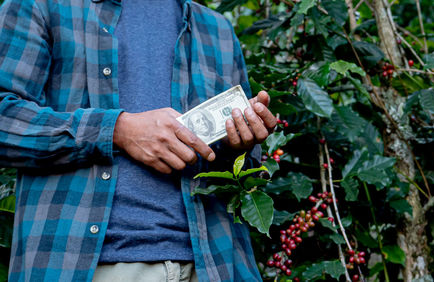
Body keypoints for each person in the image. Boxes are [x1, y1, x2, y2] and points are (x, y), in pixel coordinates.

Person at [0, 0, 276, 281]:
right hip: (92, 267)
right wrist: (118, 130)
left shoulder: (216, 29)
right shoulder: (42, 5)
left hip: (215, 265)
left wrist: (237, 144)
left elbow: (245, 171)